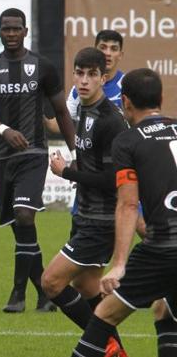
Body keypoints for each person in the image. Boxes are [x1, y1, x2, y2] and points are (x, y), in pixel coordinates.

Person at [70, 68, 177, 357]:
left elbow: (128, 204)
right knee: (164, 309)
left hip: (163, 248)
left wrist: (119, 264)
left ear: (125, 102)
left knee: (104, 314)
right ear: (162, 97)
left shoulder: (128, 141)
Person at [0, 8, 76, 313]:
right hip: (2, 157)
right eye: (5, 29)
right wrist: (5, 130)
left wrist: (77, 151)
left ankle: (17, 293)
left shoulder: (43, 67)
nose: (10, 34)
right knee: (21, 230)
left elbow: (61, 111)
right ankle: (45, 292)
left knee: (24, 216)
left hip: (33, 154)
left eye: (15, 29)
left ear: (25, 31)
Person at [41, 48, 128, 354]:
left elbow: (111, 180)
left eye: (92, 74)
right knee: (87, 287)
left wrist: (67, 172)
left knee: (51, 283)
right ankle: (115, 349)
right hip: (85, 215)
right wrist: (74, 168)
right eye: (79, 73)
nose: (84, 80)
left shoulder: (110, 121)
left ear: (104, 78)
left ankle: (106, 345)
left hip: (101, 221)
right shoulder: (83, 110)